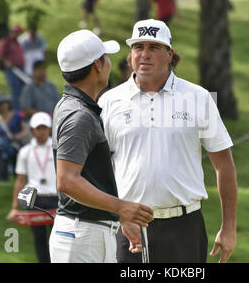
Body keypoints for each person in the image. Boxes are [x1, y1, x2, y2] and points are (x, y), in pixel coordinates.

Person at [98, 19, 238, 263]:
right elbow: (98, 168)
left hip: (185, 227)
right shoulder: (108, 102)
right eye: (138, 47)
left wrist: (228, 228)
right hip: (130, 226)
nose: (145, 55)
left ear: (169, 54)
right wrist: (118, 214)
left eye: (154, 47)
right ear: (130, 55)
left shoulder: (199, 97)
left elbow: (223, 165)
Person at [49, 29, 154, 263]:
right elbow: (67, 180)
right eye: (106, 58)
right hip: (83, 235)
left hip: (87, 233)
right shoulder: (79, 115)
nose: (109, 64)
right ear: (97, 64)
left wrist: (117, 215)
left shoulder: (76, 107)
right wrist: (121, 207)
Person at [7, 112, 58, 263]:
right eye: (38, 128)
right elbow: (20, 180)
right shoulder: (25, 151)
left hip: (56, 198)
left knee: (57, 237)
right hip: (34, 199)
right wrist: (14, 207)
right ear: (32, 129)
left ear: (50, 129)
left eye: (44, 128)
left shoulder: (58, 149)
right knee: (39, 238)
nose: (41, 131)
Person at [0, 94, 29, 181]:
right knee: (2, 168)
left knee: (18, 168)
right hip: (3, 148)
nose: (3, 106)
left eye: (4, 103)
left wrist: (17, 136)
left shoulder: (17, 116)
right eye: (0, 104)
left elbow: (25, 130)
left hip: (15, 146)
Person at [0, 25, 26, 111]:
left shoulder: (17, 42)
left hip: (20, 69)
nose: (14, 34)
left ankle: (21, 110)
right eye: (13, 32)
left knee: (23, 90)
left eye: (16, 32)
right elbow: (0, 55)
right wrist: (6, 62)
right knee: (15, 91)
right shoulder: (6, 41)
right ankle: (16, 111)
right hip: (12, 70)